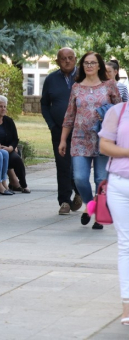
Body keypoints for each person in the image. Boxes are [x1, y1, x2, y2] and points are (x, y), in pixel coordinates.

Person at [59, 51, 121, 230]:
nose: (89, 66)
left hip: (104, 139)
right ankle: (90, 204)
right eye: (86, 63)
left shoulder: (109, 86)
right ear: (82, 65)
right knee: (79, 178)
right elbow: (70, 115)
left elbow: (121, 112)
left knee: (101, 178)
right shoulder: (77, 87)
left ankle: (97, 214)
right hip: (79, 138)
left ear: (99, 65)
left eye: (93, 63)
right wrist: (63, 140)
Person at [41, 47, 82, 215]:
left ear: (75, 59)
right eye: (63, 58)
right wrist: (52, 125)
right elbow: (44, 104)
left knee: (78, 164)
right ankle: (64, 201)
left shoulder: (83, 77)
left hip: (81, 130)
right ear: (57, 61)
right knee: (62, 164)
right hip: (59, 130)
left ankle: (79, 191)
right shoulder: (51, 79)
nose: (67, 61)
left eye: (70, 57)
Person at [99, 101, 129, 325]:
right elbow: (104, 146)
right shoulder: (118, 111)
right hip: (119, 185)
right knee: (126, 245)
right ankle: (127, 307)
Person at [0, 95, 30, 194]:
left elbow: (15, 139)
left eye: (4, 106)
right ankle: (6, 183)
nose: (3, 109)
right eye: (0, 106)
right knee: (5, 156)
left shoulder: (8, 121)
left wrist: (11, 148)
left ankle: (23, 185)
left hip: (8, 149)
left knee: (16, 159)